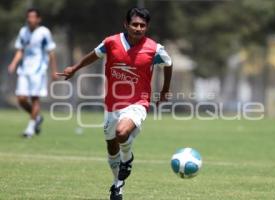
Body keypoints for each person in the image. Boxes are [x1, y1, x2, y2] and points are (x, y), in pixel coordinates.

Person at [57, 7, 172, 200]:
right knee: (111, 147)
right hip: (112, 104)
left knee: (121, 133)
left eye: (142, 25)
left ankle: (127, 159)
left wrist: (164, 90)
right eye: (134, 24)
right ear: (126, 24)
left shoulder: (154, 49)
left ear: (147, 27)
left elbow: (168, 65)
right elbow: (94, 54)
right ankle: (118, 185)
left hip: (138, 102)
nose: (138, 28)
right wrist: (75, 68)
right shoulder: (111, 43)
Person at [8, 8, 57, 138]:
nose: (30, 19)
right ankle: (37, 117)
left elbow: (51, 52)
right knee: (21, 99)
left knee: (35, 99)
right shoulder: (23, 31)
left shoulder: (44, 32)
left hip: (38, 71)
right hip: (24, 70)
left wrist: (53, 71)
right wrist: (13, 63)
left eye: (33, 17)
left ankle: (29, 129)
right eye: (29, 17)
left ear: (38, 19)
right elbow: (20, 50)